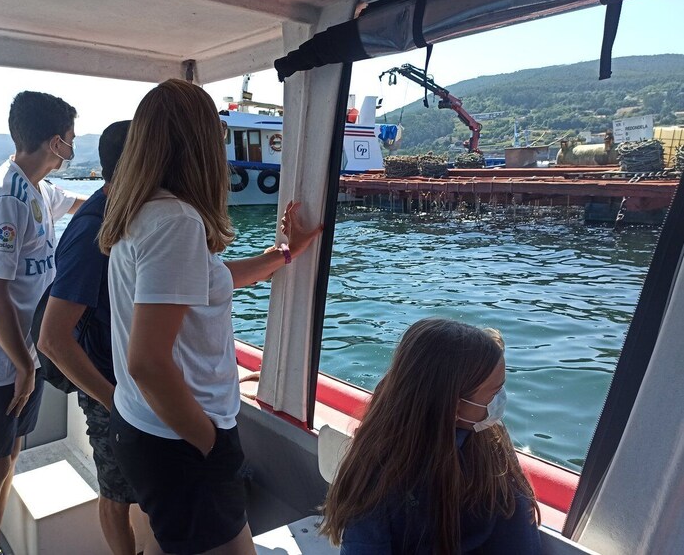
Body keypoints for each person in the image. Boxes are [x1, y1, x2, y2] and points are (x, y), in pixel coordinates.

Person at [97, 79, 322, 555]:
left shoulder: (141, 210)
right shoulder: (176, 222)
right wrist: (209, 443)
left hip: (143, 426)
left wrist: (282, 255)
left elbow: (208, 280)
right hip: (178, 439)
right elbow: (148, 362)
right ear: (198, 143)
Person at [0, 90, 86, 555]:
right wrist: (25, 368)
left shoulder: (39, 190)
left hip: (23, 357)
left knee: (8, 457)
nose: (73, 146)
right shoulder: (3, 197)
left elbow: (83, 204)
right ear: (55, 143)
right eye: (70, 138)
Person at [320, 318, 542, 555]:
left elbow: (518, 528)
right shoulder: (378, 475)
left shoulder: (490, 439)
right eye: (495, 392)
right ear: (455, 407)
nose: (500, 401)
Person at [38, 120, 145, 555]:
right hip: (110, 386)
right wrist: (113, 400)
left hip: (137, 383)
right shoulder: (93, 228)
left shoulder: (131, 214)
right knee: (117, 497)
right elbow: (53, 339)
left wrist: (280, 256)